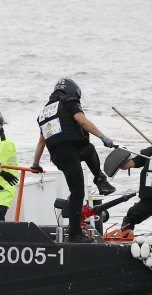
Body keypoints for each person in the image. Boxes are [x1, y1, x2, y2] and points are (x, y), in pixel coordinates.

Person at [32, 78, 116, 243]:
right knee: (78, 192)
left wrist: (35, 164)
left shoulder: (44, 113)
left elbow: (41, 142)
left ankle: (100, 179)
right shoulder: (69, 102)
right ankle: (75, 234)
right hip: (69, 153)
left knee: (89, 149)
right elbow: (83, 121)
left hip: (59, 155)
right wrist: (103, 137)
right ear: (72, 91)